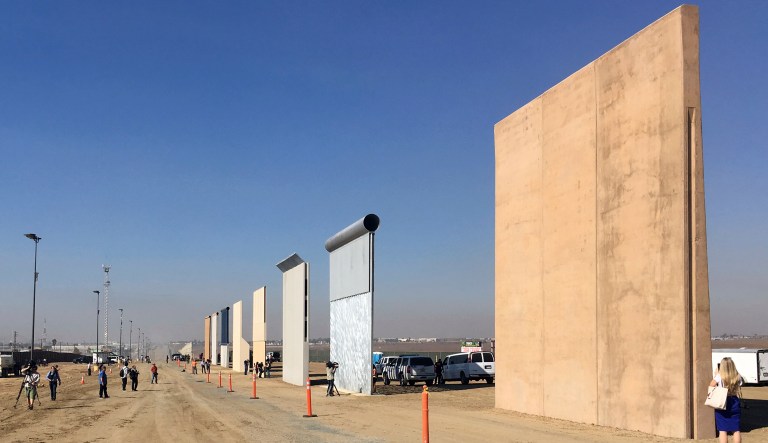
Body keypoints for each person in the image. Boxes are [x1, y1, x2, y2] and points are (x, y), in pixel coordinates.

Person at [710, 357, 743, 443]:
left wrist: (716, 374)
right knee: (736, 429)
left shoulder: (719, 376)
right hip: (734, 401)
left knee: (722, 430)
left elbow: (711, 385)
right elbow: (741, 384)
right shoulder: (737, 375)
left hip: (722, 401)